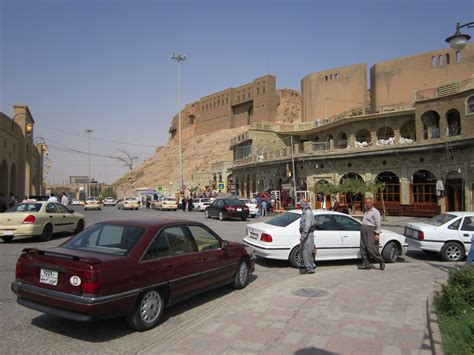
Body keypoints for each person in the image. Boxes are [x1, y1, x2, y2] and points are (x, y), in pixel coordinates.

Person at [359, 197, 385, 270]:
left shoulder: (375, 212)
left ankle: (381, 261)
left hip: (371, 230)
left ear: (372, 203)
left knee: (371, 248)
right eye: (366, 203)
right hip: (364, 230)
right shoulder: (366, 211)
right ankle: (366, 264)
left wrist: (377, 234)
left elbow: (378, 223)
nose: (367, 204)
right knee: (363, 248)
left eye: (368, 202)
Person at [299, 198, 315, 274]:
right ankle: (308, 267)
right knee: (305, 252)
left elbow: (307, 226)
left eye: (300, 205)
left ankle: (310, 269)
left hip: (308, 235)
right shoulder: (305, 211)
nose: (300, 206)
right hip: (306, 235)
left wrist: (303, 237)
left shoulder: (308, 212)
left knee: (307, 252)